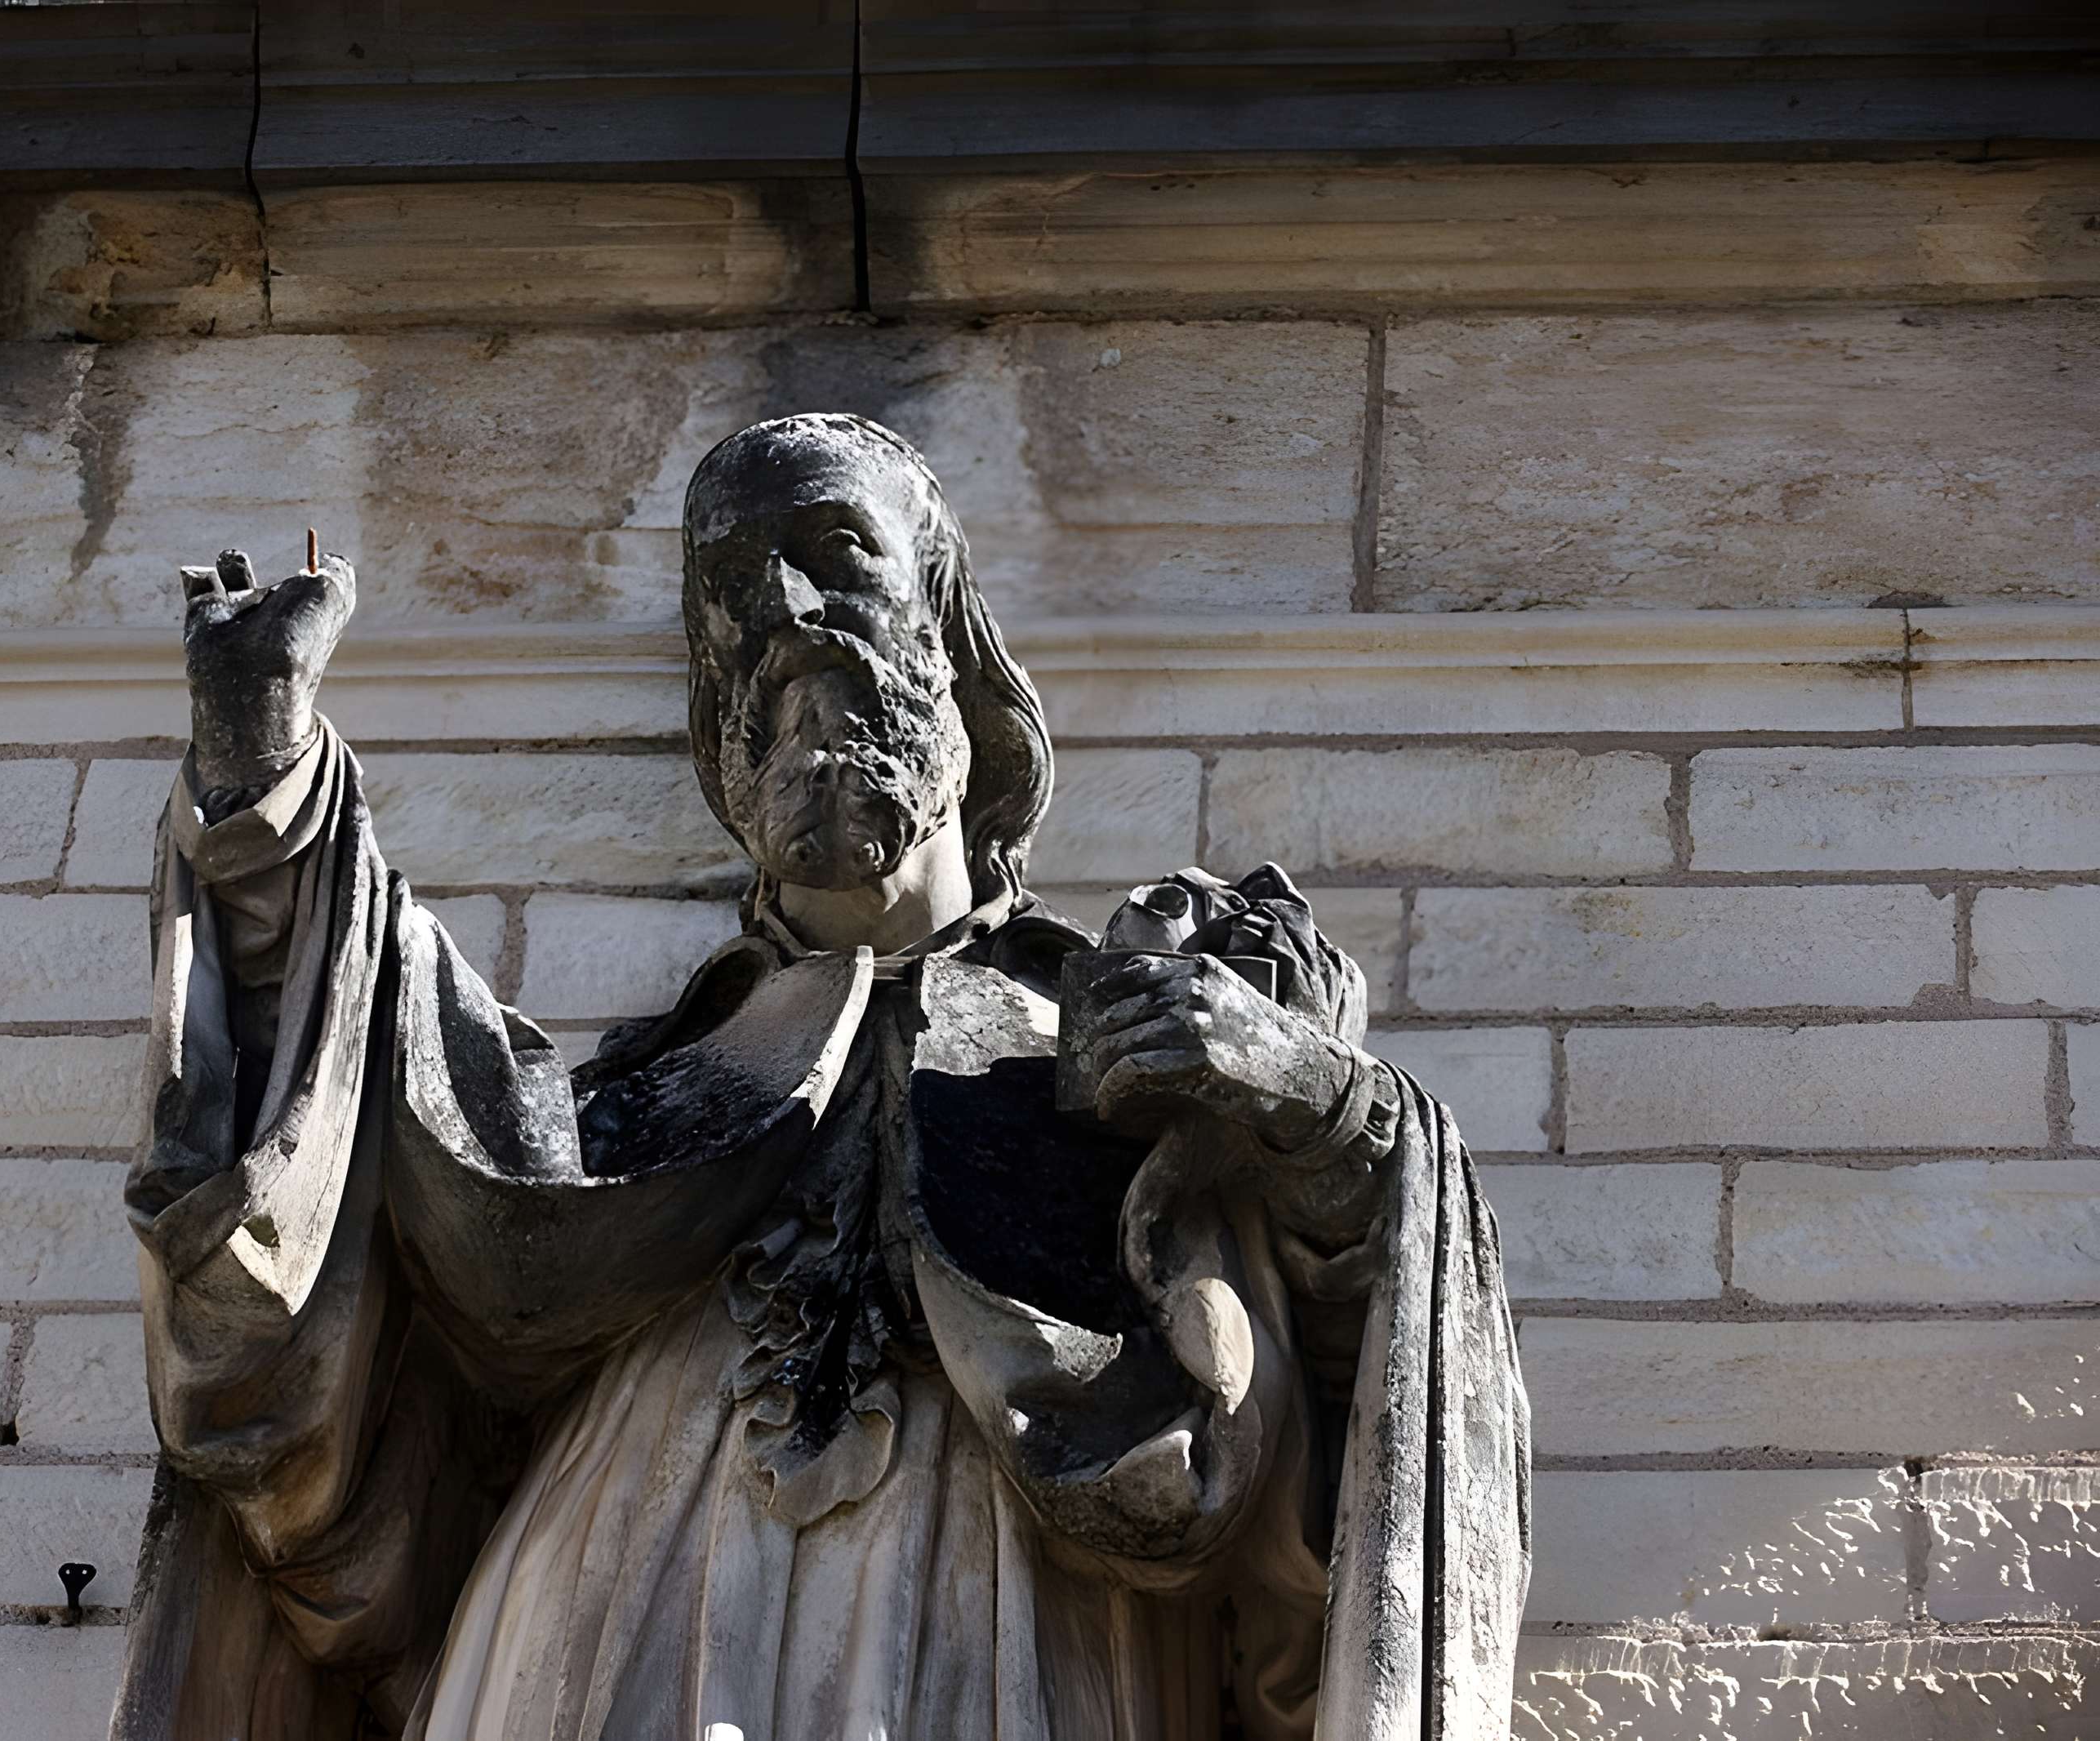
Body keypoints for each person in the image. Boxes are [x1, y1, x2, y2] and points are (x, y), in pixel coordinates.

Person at [113, 414, 1528, 1741]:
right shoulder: (641, 1093)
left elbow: (1362, 1370)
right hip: (606, 1608)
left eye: (835, 551)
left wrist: (1315, 1097)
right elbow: (373, 1119)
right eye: (735, 584)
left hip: (999, 1617)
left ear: (954, 632)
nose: (785, 608)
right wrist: (262, 789)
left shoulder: (1134, 1032)